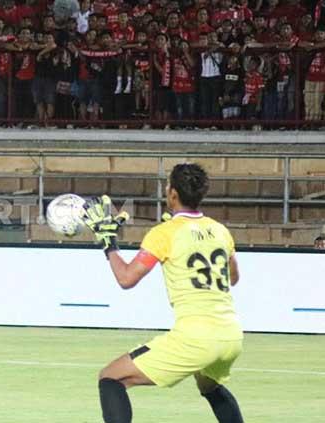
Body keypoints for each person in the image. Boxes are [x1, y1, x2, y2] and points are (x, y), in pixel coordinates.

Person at [83, 163, 244, 423]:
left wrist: (109, 244)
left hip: (195, 337)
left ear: (173, 194)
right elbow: (234, 278)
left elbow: (126, 278)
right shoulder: (219, 230)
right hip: (231, 335)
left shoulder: (164, 233)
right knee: (209, 386)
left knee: (111, 377)